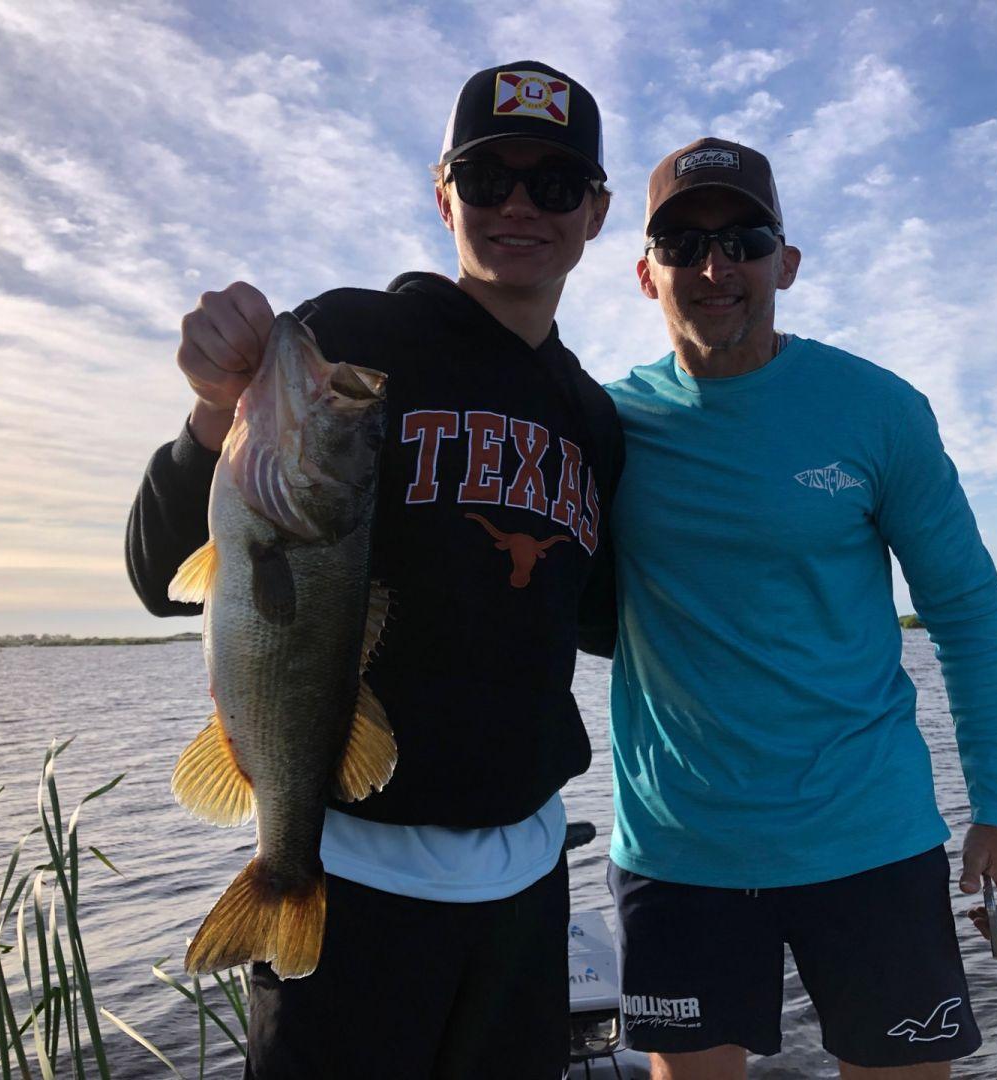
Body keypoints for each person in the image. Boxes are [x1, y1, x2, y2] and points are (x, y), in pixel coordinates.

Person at [125, 60, 621, 1080]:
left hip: (527, 890)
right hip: (343, 882)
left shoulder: (594, 418)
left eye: (556, 185)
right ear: (444, 193)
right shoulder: (354, 335)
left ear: (597, 213)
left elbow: (605, 618)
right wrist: (215, 412)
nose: (519, 205)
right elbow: (155, 574)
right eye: (488, 180)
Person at [598, 137, 997, 1080]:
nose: (715, 267)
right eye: (681, 245)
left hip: (870, 839)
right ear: (645, 274)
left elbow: (965, 614)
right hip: (680, 851)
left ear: (785, 264)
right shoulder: (605, 427)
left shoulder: (878, 410)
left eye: (744, 239)